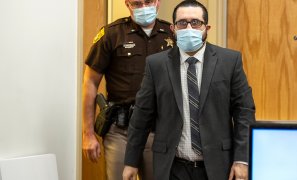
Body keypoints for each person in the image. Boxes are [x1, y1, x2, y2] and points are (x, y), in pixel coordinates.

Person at [123, 1, 256, 180]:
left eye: (195, 22)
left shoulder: (229, 61)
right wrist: (131, 161)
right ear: (173, 28)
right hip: (172, 167)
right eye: (182, 23)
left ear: (206, 27)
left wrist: (242, 160)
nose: (188, 28)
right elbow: (141, 116)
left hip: (218, 166)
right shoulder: (156, 64)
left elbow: (244, 113)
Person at [82, 0, 174, 179]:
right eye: (137, 3)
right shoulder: (111, 34)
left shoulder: (172, 34)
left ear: (158, 2)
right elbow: (90, 82)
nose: (144, 7)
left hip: (158, 130)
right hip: (121, 130)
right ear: (127, 4)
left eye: (148, 1)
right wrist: (88, 134)